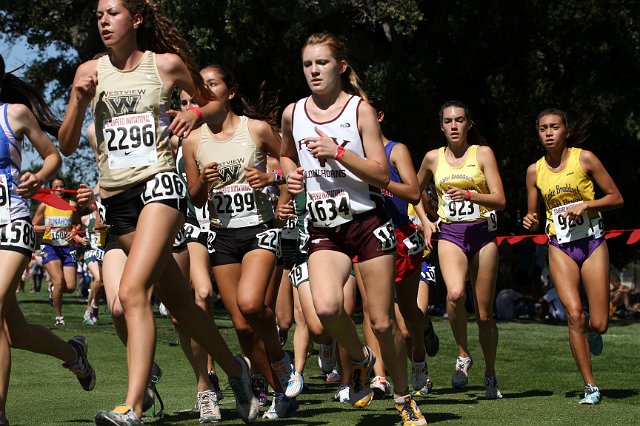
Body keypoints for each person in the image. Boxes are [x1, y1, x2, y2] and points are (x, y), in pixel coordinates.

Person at [58, 1, 258, 424]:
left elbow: (214, 106)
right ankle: (238, 370)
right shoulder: (88, 72)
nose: (104, 22)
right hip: (116, 198)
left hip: (159, 186)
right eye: (98, 16)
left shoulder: (165, 65)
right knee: (182, 307)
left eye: (112, 13)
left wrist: (193, 112)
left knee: (131, 294)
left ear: (137, 19)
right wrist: (78, 99)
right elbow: (67, 143)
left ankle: (131, 406)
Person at [280, 32, 427, 425]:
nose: (314, 70)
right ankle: (361, 360)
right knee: (326, 309)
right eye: (308, 64)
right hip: (325, 228)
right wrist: (290, 176)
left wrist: (338, 152)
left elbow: (381, 174)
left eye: (322, 63)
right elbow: (284, 153)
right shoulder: (293, 113)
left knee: (381, 321)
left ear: (341, 67)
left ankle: (403, 396)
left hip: (367, 222)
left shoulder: (359, 110)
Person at [183, 63, 297, 419]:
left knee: (250, 305)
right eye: (201, 88)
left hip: (260, 228)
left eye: (212, 84)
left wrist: (273, 182)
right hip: (223, 235)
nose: (206, 92)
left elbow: (289, 165)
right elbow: (196, 197)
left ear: (230, 91)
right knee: (243, 329)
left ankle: (281, 363)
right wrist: (202, 179)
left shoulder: (257, 129)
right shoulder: (192, 141)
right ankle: (281, 394)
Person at [0, 53, 96, 426]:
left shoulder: (15, 113)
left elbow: (53, 155)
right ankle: (74, 354)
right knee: (16, 332)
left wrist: (39, 176)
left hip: (13, 224)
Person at [522, 108, 623, 404]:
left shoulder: (585, 159)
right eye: (543, 128)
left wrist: (588, 206)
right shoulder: (534, 170)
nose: (549, 132)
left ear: (566, 130)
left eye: (554, 127)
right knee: (574, 314)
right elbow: (532, 212)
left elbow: (616, 198)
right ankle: (591, 386)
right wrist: (529, 220)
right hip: (559, 245)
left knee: (600, 323)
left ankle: (594, 331)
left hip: (592, 242)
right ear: (538, 133)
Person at [417, 100, 506, 400]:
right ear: (440, 126)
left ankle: (490, 374)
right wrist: (426, 222)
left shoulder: (482, 154)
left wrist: (469, 194)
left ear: (469, 124)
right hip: (450, 233)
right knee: (454, 294)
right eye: (448, 121)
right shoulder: (432, 158)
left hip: (482, 233)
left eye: (459, 120)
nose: (454, 126)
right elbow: (413, 193)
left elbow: (500, 200)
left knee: (484, 315)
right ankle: (463, 354)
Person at [32, 176, 81, 326]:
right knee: (59, 281)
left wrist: (74, 231)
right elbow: (33, 225)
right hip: (50, 246)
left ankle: (53, 289)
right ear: (51, 189)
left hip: (68, 247)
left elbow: (77, 223)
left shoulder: (71, 204)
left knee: (71, 287)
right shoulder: (44, 205)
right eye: (55, 187)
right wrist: (43, 228)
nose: (59, 190)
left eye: (61, 186)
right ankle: (59, 317)